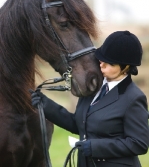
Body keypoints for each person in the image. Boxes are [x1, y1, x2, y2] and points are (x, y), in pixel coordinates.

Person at [31, 30, 149, 167]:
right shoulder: (93, 88)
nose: (102, 64)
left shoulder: (133, 98)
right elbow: (79, 124)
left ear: (126, 67)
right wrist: (45, 104)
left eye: (110, 63)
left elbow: (139, 144)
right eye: (102, 59)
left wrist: (95, 147)